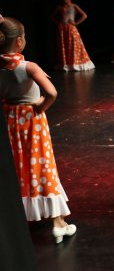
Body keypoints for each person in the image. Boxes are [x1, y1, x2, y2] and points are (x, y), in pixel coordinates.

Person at [0, 15, 76, 244]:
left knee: (19, 165)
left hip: (10, 120)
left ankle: (21, 215)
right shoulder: (29, 66)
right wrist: (40, 107)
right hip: (31, 121)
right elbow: (52, 93)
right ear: (20, 42)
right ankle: (57, 222)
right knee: (42, 164)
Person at [50, 0, 95, 71]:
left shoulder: (74, 6)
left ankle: (75, 63)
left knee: (74, 45)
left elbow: (84, 15)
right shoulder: (60, 7)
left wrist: (76, 23)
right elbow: (52, 16)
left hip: (71, 29)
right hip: (62, 30)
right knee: (64, 46)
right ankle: (66, 64)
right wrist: (58, 22)